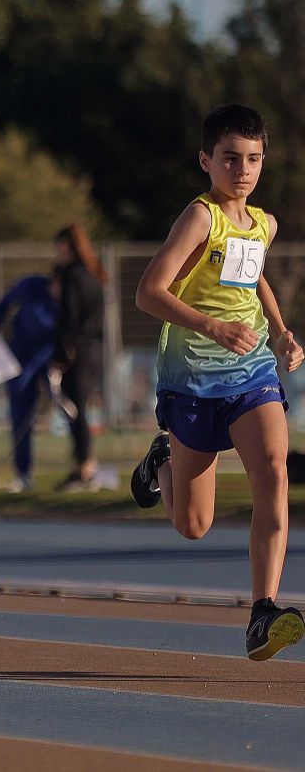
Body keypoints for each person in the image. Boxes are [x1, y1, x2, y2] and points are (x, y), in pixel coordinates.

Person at [131, 104, 305, 661]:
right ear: (207, 161)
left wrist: (278, 332)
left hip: (251, 371)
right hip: (192, 379)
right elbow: (148, 292)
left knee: (274, 471)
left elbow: (250, 276)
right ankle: (161, 461)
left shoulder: (265, 223)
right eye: (231, 158)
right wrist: (209, 325)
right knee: (193, 524)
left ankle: (263, 611)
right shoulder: (200, 218)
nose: (244, 169)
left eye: (253, 158)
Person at [0, 271, 58, 492]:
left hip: (50, 356)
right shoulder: (31, 286)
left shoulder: (67, 301)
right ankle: (22, 473)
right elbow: (5, 303)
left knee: (69, 407)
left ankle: (82, 466)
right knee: (21, 413)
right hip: (21, 358)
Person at [52, 224, 107, 490]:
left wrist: (63, 351)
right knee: (79, 406)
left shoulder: (72, 276)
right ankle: (82, 462)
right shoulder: (94, 273)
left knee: (76, 408)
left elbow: (69, 317)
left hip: (79, 350)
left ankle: (84, 464)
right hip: (94, 348)